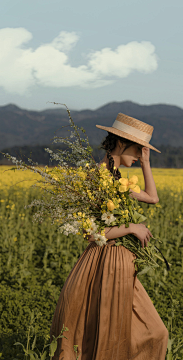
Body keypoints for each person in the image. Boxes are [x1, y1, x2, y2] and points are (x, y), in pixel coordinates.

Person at [50, 113, 169, 359]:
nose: (138, 156)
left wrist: (147, 162)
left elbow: (152, 198)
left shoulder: (118, 181)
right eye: (138, 150)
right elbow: (90, 233)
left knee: (155, 332)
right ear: (122, 144)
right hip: (101, 264)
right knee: (103, 334)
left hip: (124, 264)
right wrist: (131, 228)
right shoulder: (96, 177)